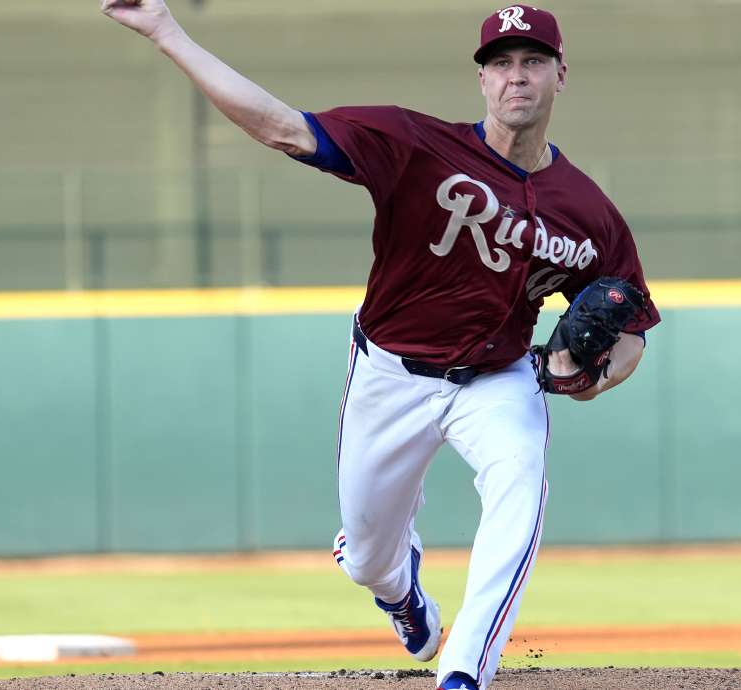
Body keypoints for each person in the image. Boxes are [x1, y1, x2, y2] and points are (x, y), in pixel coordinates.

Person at [100, 3, 661, 689]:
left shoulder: (589, 211)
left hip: (498, 376)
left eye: (533, 61)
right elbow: (282, 127)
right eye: (502, 63)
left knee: (521, 481)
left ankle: (464, 671)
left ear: (560, 74)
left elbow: (631, 327)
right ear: (482, 80)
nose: (518, 76)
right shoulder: (415, 145)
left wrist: (592, 377)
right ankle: (402, 594)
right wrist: (166, 31)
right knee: (367, 556)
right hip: (391, 375)